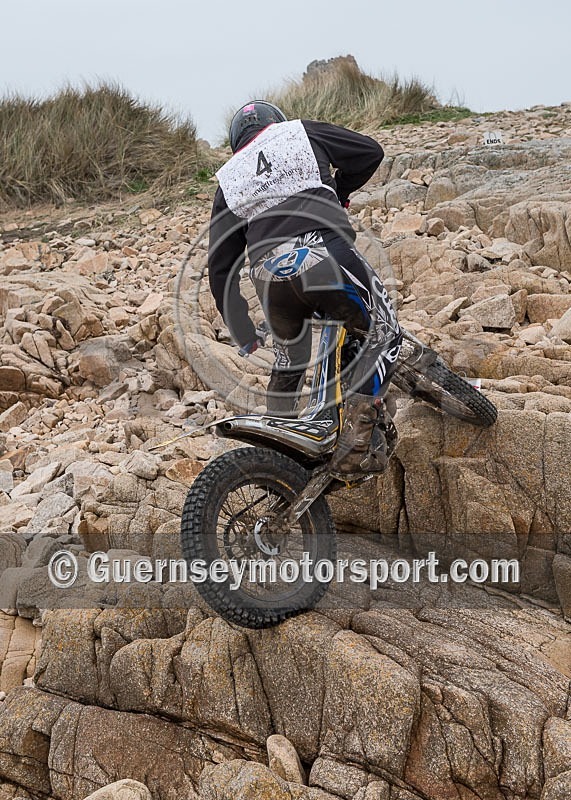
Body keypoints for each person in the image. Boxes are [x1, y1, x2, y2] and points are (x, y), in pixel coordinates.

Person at [207, 100, 402, 477]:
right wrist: (336, 189)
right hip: (322, 253)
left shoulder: (229, 178)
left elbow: (220, 265)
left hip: (267, 276)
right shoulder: (299, 132)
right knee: (384, 333)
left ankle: (277, 458)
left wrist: (243, 332)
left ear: (236, 143)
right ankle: (357, 441)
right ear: (274, 122)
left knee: (290, 358)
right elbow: (370, 153)